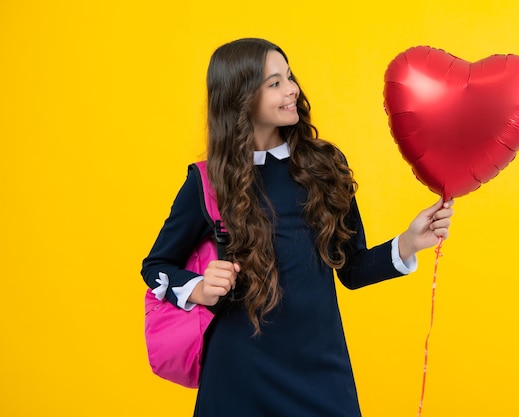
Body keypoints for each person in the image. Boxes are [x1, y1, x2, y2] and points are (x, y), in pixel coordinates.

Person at [141, 38, 453, 417]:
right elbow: (155, 266)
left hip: (321, 369)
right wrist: (200, 288)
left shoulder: (325, 166)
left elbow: (351, 270)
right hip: (239, 375)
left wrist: (406, 244)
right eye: (274, 83)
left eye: (289, 78)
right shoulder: (208, 182)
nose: (292, 90)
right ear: (240, 98)